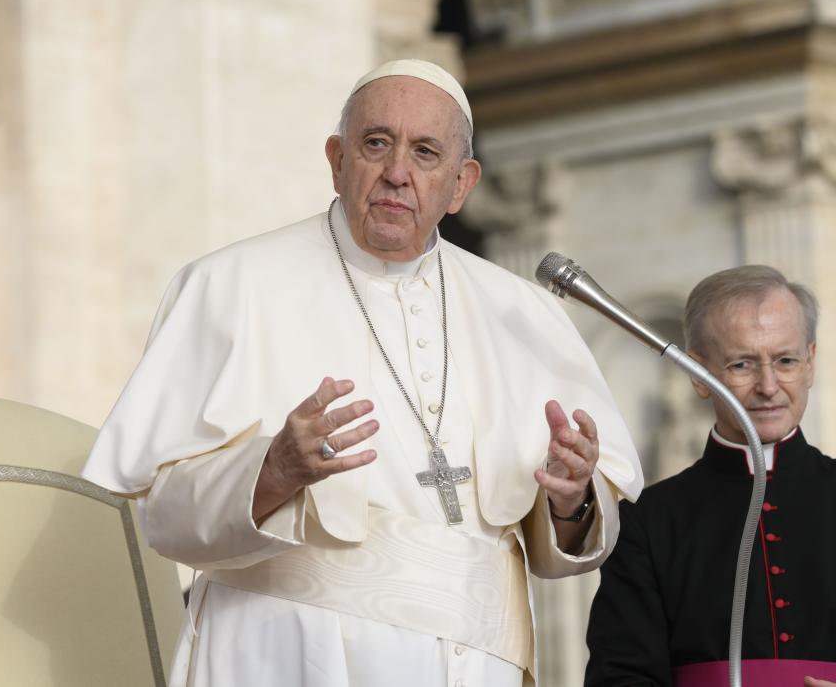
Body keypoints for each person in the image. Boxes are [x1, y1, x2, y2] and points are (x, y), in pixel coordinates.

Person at [83, 59, 643, 687]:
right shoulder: (230, 284)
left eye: (425, 153)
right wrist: (271, 473)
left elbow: (565, 544)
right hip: (285, 654)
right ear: (337, 160)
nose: (397, 173)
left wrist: (571, 500)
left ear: (461, 185)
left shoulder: (524, 313)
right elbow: (162, 514)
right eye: (376, 143)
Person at [585, 265, 836, 687]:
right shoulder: (648, 522)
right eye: (742, 364)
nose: (769, 386)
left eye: (786, 360)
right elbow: (620, 676)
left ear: (810, 363)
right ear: (698, 376)